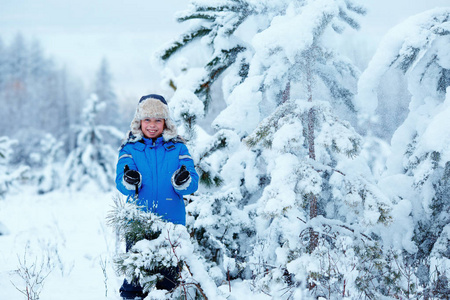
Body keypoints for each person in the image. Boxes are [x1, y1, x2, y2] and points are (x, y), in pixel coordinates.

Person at [115, 94, 199, 299]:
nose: (152, 125)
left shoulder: (178, 148)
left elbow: (192, 181)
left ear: (165, 122)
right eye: (147, 120)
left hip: (171, 225)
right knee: (136, 281)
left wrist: (181, 181)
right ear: (139, 122)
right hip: (138, 223)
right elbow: (122, 183)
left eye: (157, 120)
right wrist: (131, 179)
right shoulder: (129, 148)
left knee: (169, 281)